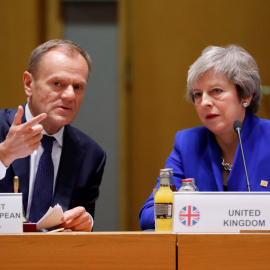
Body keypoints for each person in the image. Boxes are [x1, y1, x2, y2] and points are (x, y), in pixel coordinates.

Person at [139, 44, 270, 230]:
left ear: (246, 95)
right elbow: (150, 213)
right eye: (198, 94)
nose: (204, 102)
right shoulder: (187, 144)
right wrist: (207, 217)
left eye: (216, 91)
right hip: (202, 255)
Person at [0, 39, 106, 232]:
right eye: (57, 83)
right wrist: (3, 156)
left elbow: (82, 216)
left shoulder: (91, 155)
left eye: (78, 87)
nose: (69, 96)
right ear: (28, 83)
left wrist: (86, 221)